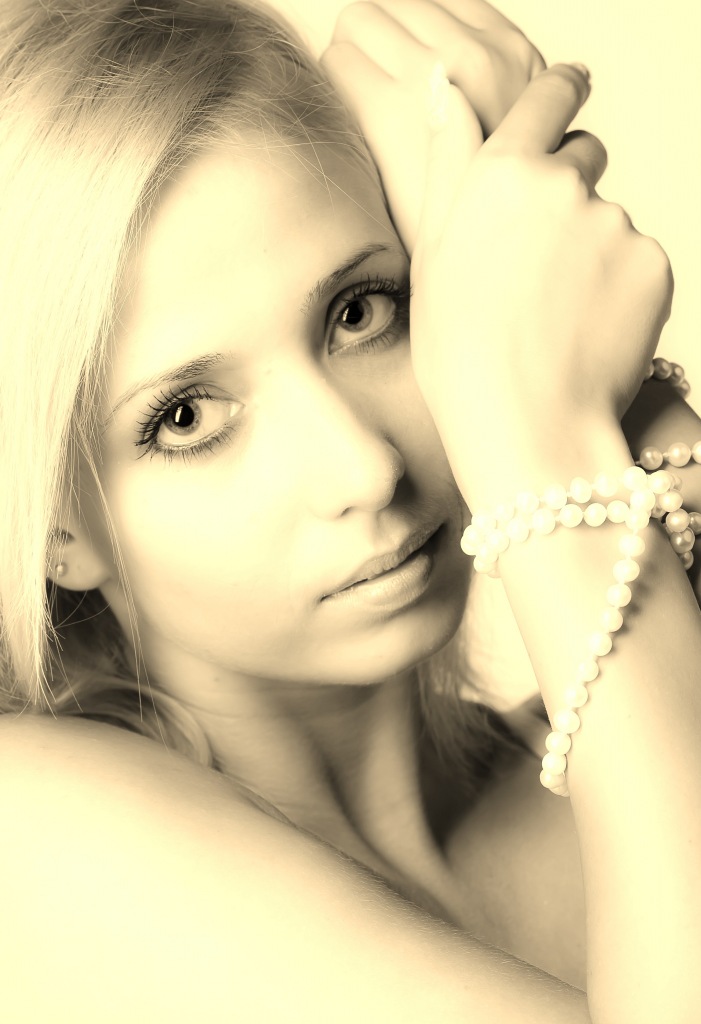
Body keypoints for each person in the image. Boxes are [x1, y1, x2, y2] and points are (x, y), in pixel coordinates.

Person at [0, 0, 699, 1019]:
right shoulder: (33, 833)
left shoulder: (622, 766)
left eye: (361, 313)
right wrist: (555, 438)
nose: (364, 466)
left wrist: (567, 335)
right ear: (55, 530)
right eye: (187, 417)